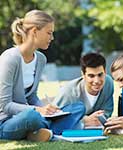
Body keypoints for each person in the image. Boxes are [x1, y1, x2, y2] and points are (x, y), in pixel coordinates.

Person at [0, 10, 85, 142]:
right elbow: (5, 105)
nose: (52, 38)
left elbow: (32, 96)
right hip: (6, 121)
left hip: (31, 114)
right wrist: (38, 109)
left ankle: (39, 132)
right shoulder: (9, 59)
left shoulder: (40, 59)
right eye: (49, 33)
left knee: (78, 107)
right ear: (34, 31)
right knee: (32, 116)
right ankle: (50, 130)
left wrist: (48, 110)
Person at [53, 52, 114, 127]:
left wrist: (99, 119)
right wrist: (83, 120)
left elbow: (107, 112)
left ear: (105, 72)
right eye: (91, 76)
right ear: (83, 75)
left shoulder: (108, 83)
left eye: (100, 75)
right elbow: (55, 118)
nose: (97, 81)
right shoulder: (68, 91)